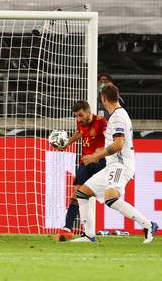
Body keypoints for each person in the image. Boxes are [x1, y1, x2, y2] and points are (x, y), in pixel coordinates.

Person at [71, 84, 158, 243]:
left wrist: (96, 156)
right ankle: (89, 236)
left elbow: (119, 144)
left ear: (103, 99)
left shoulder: (117, 117)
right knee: (82, 193)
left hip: (120, 164)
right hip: (113, 165)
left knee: (111, 198)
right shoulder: (118, 115)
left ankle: (148, 225)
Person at [56, 100, 107, 241]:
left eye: (80, 115)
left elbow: (110, 139)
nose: (78, 119)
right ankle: (67, 229)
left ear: (89, 112)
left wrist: (100, 152)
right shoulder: (81, 123)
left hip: (99, 161)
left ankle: (145, 224)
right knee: (76, 194)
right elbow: (79, 133)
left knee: (110, 198)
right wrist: (66, 144)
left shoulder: (101, 122)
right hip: (85, 161)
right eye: (76, 116)